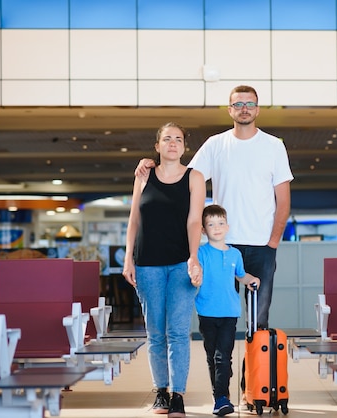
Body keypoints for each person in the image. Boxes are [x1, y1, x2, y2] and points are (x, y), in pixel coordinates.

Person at [136, 85, 293, 330]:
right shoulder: (215, 144)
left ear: (258, 109)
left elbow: (283, 201)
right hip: (222, 246)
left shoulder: (274, 146)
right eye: (238, 104)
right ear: (230, 110)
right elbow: (183, 178)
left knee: (259, 322)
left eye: (249, 104)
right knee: (220, 320)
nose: (244, 109)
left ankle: (254, 369)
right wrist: (153, 164)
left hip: (262, 245)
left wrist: (272, 243)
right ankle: (223, 370)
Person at [123, 122, 206, 418]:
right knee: (156, 332)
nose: (173, 143)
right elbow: (134, 219)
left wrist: (194, 257)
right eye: (167, 139)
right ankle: (161, 390)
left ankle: (178, 395)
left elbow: (195, 220)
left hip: (181, 263)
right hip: (147, 264)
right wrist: (128, 258)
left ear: (184, 147)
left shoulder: (195, 177)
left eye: (178, 139)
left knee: (179, 332)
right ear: (157, 146)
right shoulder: (144, 176)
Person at [195, 204, 260, 416]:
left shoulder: (235, 254)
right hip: (206, 311)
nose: (217, 227)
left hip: (229, 312)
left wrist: (251, 279)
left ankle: (221, 397)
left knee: (223, 356)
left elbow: (241, 275)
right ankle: (220, 394)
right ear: (204, 230)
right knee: (212, 356)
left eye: (221, 223)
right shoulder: (201, 252)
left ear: (228, 226)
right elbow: (196, 276)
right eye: (211, 224)